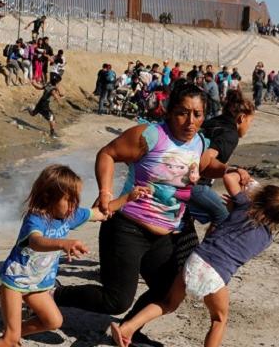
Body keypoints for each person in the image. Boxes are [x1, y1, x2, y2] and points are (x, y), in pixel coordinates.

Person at [53, 83, 249, 346]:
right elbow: (108, 154)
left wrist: (228, 169)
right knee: (116, 300)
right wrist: (106, 193)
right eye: (182, 112)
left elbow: (205, 165)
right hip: (127, 227)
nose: (190, 121)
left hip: (166, 233)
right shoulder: (150, 135)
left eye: (198, 114)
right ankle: (55, 295)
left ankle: (127, 330)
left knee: (169, 292)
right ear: (169, 112)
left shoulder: (199, 142)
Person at [110, 171, 279, 347]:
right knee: (219, 319)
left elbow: (229, 178)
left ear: (259, 197)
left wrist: (246, 178)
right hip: (216, 274)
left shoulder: (243, 206)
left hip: (196, 259)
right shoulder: (266, 239)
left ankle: (127, 328)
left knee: (168, 303)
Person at [0, 164, 149, 347]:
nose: (74, 205)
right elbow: (35, 242)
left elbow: (100, 213)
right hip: (13, 282)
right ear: (48, 197)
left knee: (53, 321)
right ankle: (10, 337)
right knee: (10, 337)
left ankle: (13, 333)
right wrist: (63, 243)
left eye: (76, 199)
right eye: (69, 200)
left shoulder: (69, 215)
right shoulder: (36, 218)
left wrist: (128, 197)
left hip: (37, 284)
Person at [190, 89, 256, 227]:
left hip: (177, 176)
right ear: (242, 118)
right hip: (194, 184)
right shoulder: (230, 135)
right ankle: (211, 248)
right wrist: (230, 169)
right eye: (250, 122)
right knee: (224, 217)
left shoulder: (212, 122)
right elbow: (206, 156)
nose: (248, 127)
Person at [29, 71, 64, 138]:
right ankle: (52, 133)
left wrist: (34, 84)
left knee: (33, 113)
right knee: (52, 118)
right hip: (44, 105)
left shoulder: (48, 84)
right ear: (56, 82)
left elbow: (39, 87)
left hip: (41, 101)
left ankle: (29, 108)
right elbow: (55, 96)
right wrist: (61, 103)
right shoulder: (53, 89)